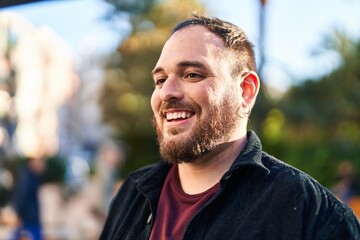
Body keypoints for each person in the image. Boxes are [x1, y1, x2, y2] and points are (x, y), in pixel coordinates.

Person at [100, 13, 360, 240]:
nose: (166, 92)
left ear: (245, 91)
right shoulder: (132, 192)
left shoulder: (316, 217)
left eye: (192, 74)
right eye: (160, 80)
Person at [11, 157, 45, 240]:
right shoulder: (28, 177)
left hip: (29, 216)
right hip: (29, 216)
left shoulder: (30, 175)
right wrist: (19, 214)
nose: (43, 165)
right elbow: (22, 195)